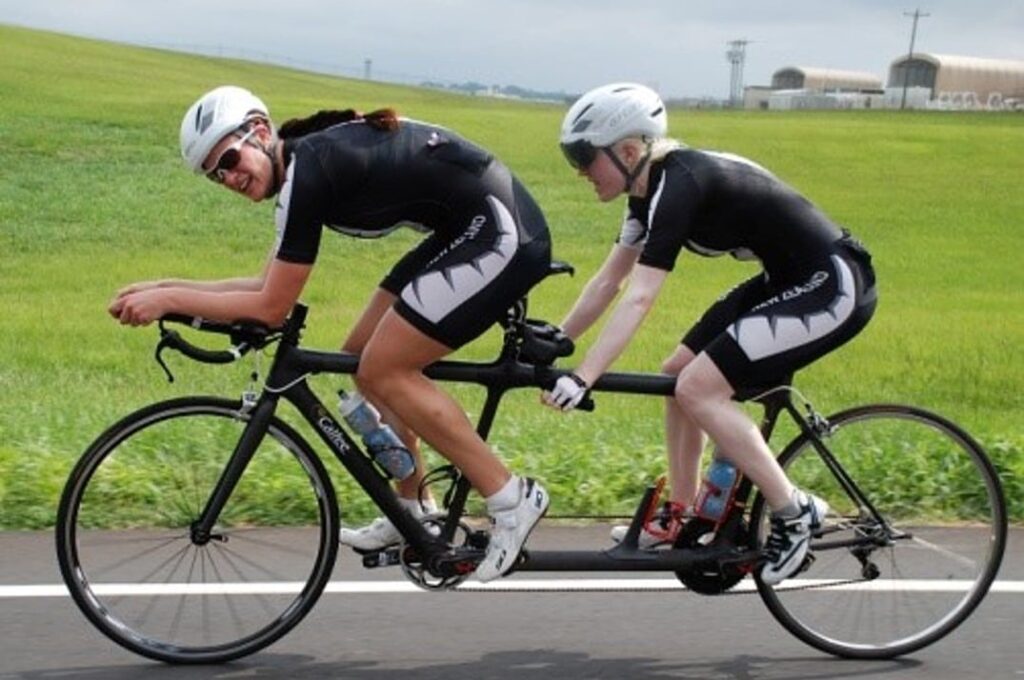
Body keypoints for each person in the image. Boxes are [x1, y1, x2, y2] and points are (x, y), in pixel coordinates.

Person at [109, 85, 552, 582]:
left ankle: (511, 497)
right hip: (465, 228)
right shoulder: (302, 167)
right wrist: (163, 288)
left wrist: (168, 301)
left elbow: (271, 309)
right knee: (360, 359)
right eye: (216, 175)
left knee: (386, 367)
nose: (229, 177)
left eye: (229, 159)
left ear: (259, 132)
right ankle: (413, 507)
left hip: (502, 233)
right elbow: (264, 285)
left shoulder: (309, 169)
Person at [546, 83, 876, 584]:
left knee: (699, 387)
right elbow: (608, 281)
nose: (579, 170)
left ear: (629, 151)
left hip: (832, 283)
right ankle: (683, 511)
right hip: (786, 279)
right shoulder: (645, 197)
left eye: (585, 157)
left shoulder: (680, 185)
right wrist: (557, 340)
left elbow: (639, 296)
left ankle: (794, 510)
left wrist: (585, 376)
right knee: (677, 373)